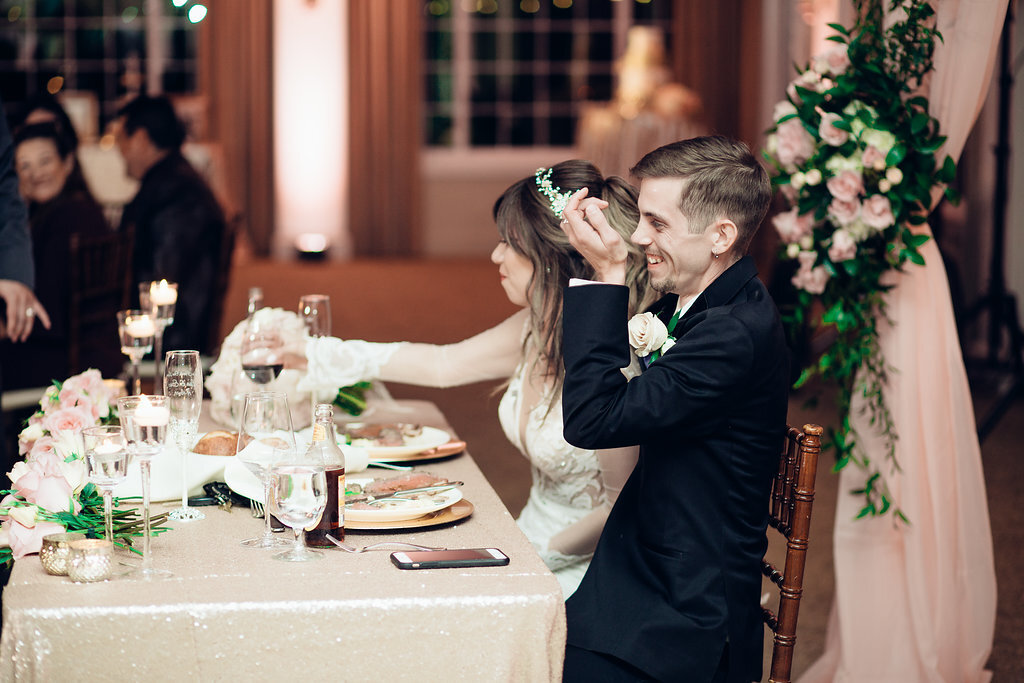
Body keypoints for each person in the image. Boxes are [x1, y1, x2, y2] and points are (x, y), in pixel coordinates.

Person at [297, 160, 654, 597]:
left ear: (549, 259)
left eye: (509, 243)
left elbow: (625, 508)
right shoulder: (537, 325)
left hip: (585, 570)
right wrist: (314, 352)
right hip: (523, 537)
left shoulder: (611, 359)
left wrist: (536, 552)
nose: (495, 255)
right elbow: (443, 364)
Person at [558, 136, 789, 682]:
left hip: (686, 616)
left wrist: (608, 278)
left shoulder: (734, 334)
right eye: (640, 218)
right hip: (640, 574)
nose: (638, 238)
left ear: (720, 236)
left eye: (657, 224)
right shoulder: (696, 301)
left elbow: (591, 421)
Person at [0, 123, 113, 389]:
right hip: (90, 352)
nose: (36, 173)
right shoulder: (82, 209)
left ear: (68, 162)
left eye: (45, 161)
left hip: (57, 361)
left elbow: (44, 313)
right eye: (24, 166)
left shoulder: (67, 219)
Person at [116, 94, 225, 355]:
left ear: (141, 138)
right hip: (176, 328)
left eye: (121, 139)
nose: (118, 150)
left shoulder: (177, 194)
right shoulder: (174, 179)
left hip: (173, 337)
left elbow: (165, 277)